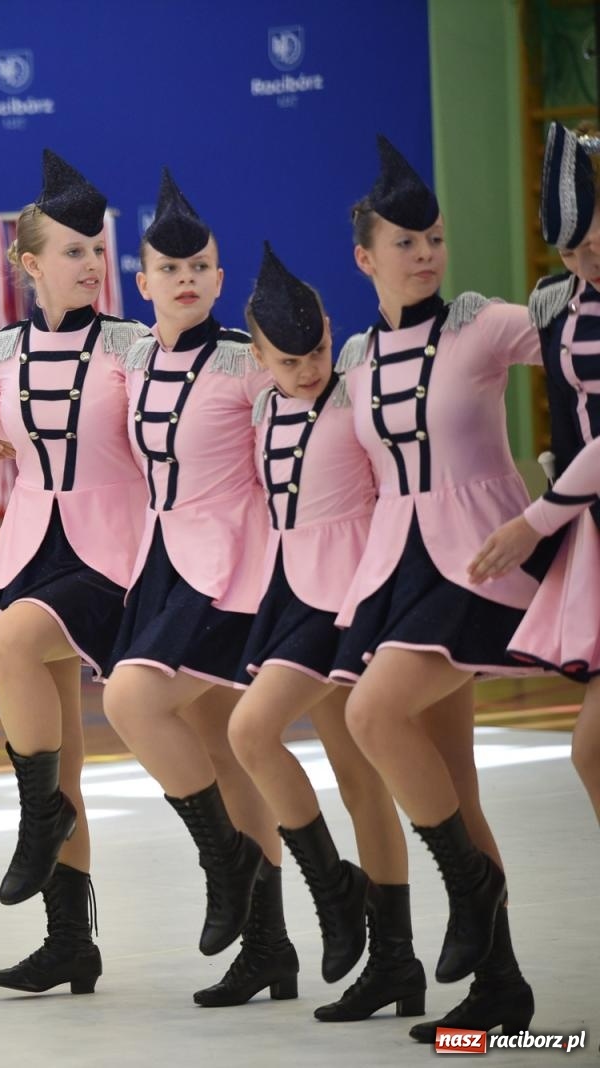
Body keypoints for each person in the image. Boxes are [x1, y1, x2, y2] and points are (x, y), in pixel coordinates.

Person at [0, 151, 147, 995]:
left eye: (98, 249)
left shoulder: (133, 344)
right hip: (33, 545)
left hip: (117, 551)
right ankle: (68, 941)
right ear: (28, 263)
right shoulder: (2, 352)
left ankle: (38, 816)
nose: (90, 264)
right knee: (66, 756)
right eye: (72, 251)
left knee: (11, 639)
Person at [335, 135, 540, 1043]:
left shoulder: (484, 323)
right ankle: (502, 989)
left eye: (435, 239)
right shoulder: (352, 360)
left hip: (478, 561)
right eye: (405, 243)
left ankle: (470, 888)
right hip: (394, 569)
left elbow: (579, 342)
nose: (424, 254)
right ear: (364, 257)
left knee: (372, 717)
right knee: (453, 776)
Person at [98, 171, 289, 1008]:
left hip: (236, 570)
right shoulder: (133, 361)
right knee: (215, 744)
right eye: (168, 271)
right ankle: (269, 948)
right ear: (143, 284)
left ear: (218, 279)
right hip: (162, 564)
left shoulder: (249, 364)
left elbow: (310, 432)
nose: (185, 280)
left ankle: (226, 863)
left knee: (130, 701)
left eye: (200, 268)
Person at [226, 242, 425, 1022]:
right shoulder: (261, 405)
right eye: (286, 360)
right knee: (260, 736)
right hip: (291, 599)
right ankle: (341, 896)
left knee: (355, 774)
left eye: (313, 353)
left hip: (357, 600)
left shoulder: (358, 398)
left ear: (330, 334)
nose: (305, 370)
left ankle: (392, 955)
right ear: (259, 357)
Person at [473, 122, 600, 827]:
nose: (588, 256)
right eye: (571, 246)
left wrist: (534, 520)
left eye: (596, 234)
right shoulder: (557, 301)